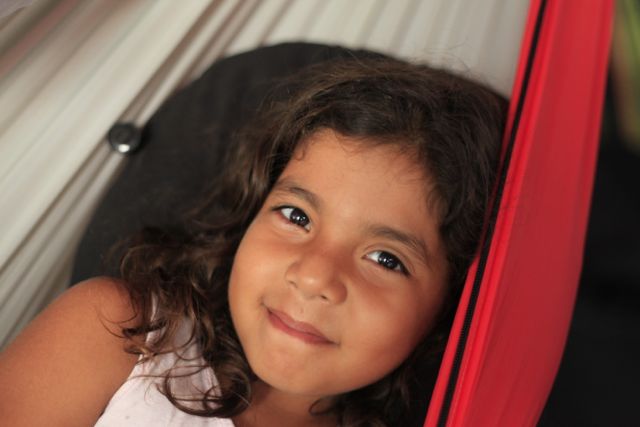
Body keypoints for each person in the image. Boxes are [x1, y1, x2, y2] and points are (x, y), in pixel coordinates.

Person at [0, 55, 507, 426]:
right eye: (296, 215)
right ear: (251, 212)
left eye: (384, 258)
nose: (313, 276)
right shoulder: (123, 336)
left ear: (453, 303)